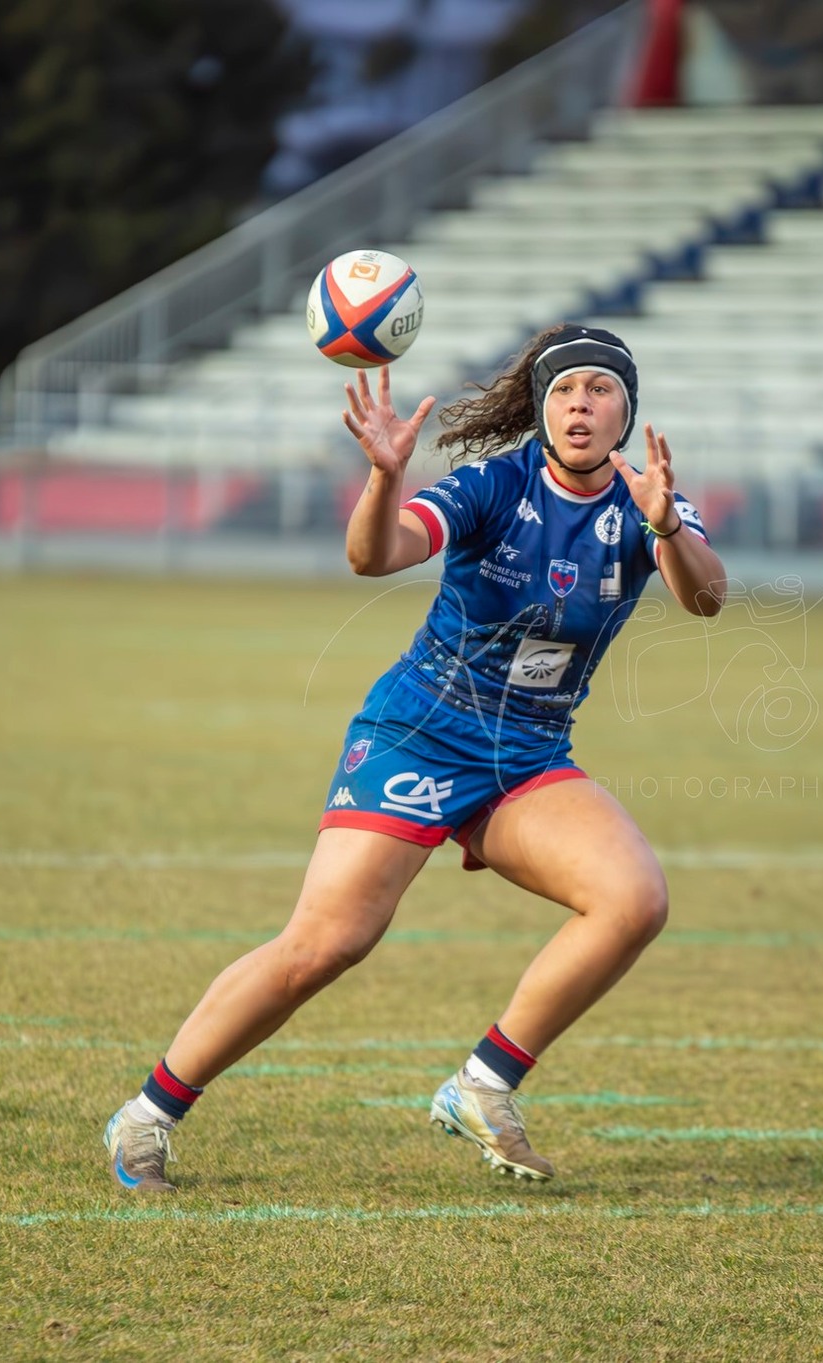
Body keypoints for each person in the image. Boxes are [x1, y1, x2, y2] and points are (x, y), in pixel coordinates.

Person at [103, 325, 728, 1190]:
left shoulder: (650, 498)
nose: (581, 404)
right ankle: (147, 1115)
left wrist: (667, 527)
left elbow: (708, 597)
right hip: (422, 728)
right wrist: (386, 474)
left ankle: (483, 1084)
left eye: (600, 388)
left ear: (628, 407)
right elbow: (372, 555)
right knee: (326, 943)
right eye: (564, 391)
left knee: (632, 899)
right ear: (542, 410)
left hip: (530, 752)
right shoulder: (494, 484)